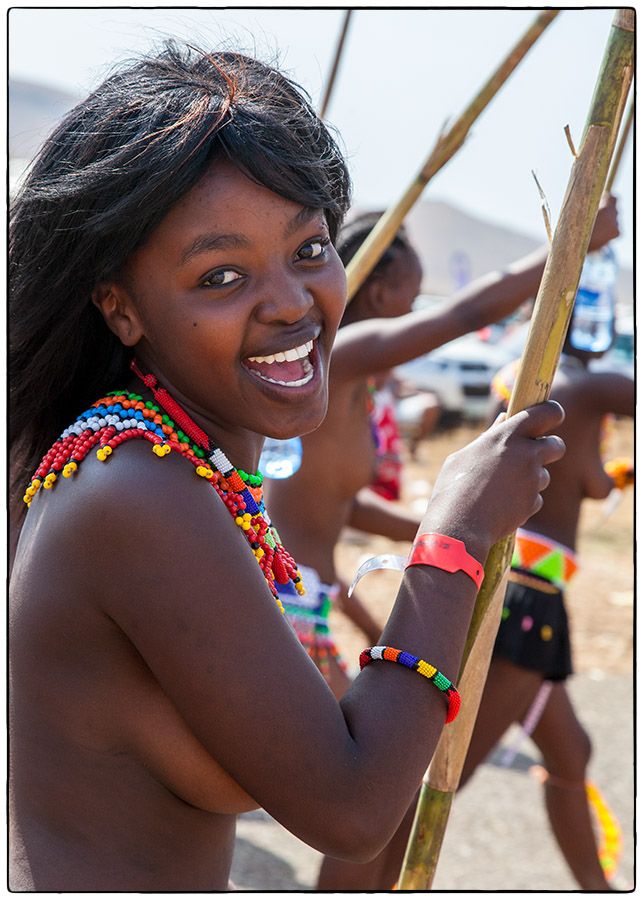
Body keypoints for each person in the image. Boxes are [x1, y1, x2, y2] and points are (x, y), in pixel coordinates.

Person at [8, 43, 566, 892]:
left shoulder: (168, 462)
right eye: (222, 274)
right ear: (119, 307)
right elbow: (348, 810)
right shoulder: (134, 490)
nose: (290, 303)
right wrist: (453, 535)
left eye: (308, 250)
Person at [264, 204, 617, 890]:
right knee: (371, 789)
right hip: (290, 602)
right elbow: (460, 316)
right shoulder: (344, 356)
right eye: (404, 294)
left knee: (377, 786)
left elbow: (340, 508)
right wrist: (568, 249)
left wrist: (461, 523)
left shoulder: (349, 387)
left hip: (311, 597)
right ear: (377, 296)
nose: (408, 311)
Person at [459, 296, 634, 890]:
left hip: (522, 596)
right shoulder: (581, 387)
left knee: (571, 754)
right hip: (524, 603)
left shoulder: (531, 381)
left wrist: (618, 474)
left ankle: (600, 890)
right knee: (443, 777)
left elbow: (583, 481)